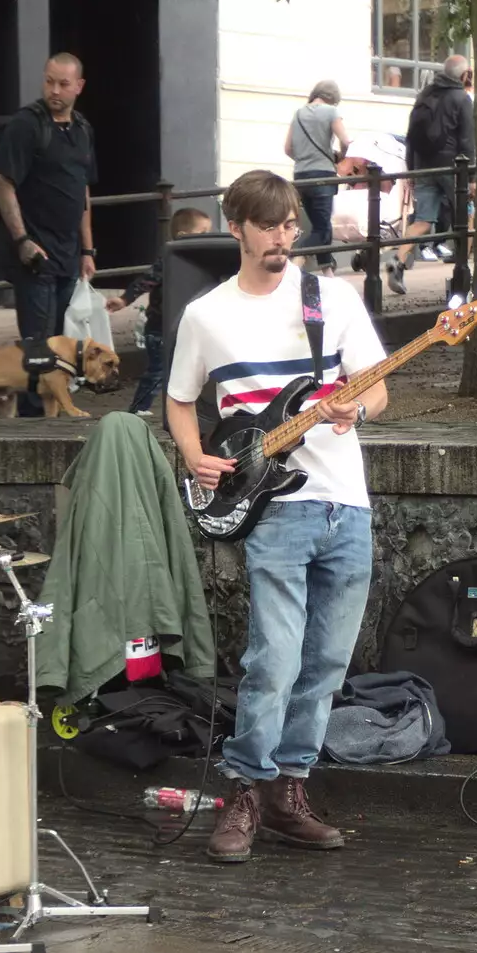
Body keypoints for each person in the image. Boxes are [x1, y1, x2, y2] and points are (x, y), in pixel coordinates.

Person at [165, 171, 388, 864]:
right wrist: (196, 452)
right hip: (273, 506)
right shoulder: (206, 315)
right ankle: (243, 792)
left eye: (290, 224)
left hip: (344, 500)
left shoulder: (333, 299)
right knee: (273, 658)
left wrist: (358, 407)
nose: (282, 237)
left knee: (326, 660)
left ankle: (291, 786)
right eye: (267, 225)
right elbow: (179, 398)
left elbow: (377, 387)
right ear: (236, 227)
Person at [0, 52, 98, 342]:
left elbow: (82, 190)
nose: (54, 90)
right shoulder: (26, 125)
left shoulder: (82, 129)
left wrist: (87, 251)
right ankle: (34, 388)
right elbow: (3, 185)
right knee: (38, 344)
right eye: (49, 81)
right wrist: (22, 241)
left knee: (60, 341)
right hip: (35, 253)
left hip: (68, 252)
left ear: (79, 86)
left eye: (64, 84)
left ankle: (48, 387)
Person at [106, 207, 212, 415]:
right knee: (158, 371)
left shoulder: (200, 263)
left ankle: (186, 410)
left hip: (180, 327)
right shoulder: (169, 261)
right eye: (203, 233)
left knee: (186, 368)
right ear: (183, 237)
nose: (208, 239)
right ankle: (138, 409)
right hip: (159, 328)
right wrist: (124, 299)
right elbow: (145, 281)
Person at [389, 54, 474, 296]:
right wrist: (473, 177)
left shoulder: (424, 96)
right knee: (468, 218)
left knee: (423, 222)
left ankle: (397, 259)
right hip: (452, 168)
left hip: (424, 166)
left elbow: (410, 137)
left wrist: (412, 170)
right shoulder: (462, 99)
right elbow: (467, 140)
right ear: (463, 75)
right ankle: (462, 275)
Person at [285, 80, 350, 276]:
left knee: (321, 226)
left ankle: (328, 272)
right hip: (323, 176)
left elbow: (288, 149)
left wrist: (306, 159)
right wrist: (340, 157)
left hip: (301, 177)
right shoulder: (331, 112)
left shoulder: (299, 113)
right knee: (321, 230)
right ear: (333, 99)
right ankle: (293, 265)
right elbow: (346, 141)